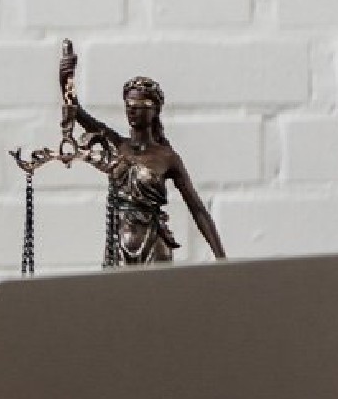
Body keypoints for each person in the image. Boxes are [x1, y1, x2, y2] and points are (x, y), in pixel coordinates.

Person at [67, 75, 227, 265]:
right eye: (128, 103)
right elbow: (78, 112)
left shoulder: (167, 158)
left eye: (140, 104)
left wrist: (221, 259)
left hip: (154, 241)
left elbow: (198, 209)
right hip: (118, 243)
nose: (132, 109)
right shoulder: (118, 145)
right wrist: (66, 78)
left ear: (155, 110)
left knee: (157, 293)